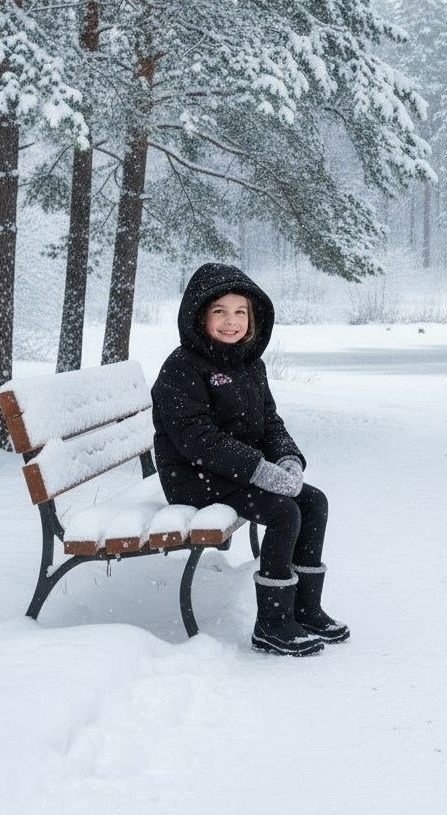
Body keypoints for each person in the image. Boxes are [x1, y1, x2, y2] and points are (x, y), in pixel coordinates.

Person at [150, 262, 349, 656]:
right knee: (283, 512)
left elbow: (269, 421)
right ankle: (272, 624)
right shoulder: (181, 368)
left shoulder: (249, 363)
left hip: (234, 472)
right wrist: (260, 471)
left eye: (240, 312)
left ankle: (304, 609)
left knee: (313, 501)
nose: (232, 321)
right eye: (220, 311)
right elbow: (198, 441)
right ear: (199, 316)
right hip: (193, 478)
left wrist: (287, 459)